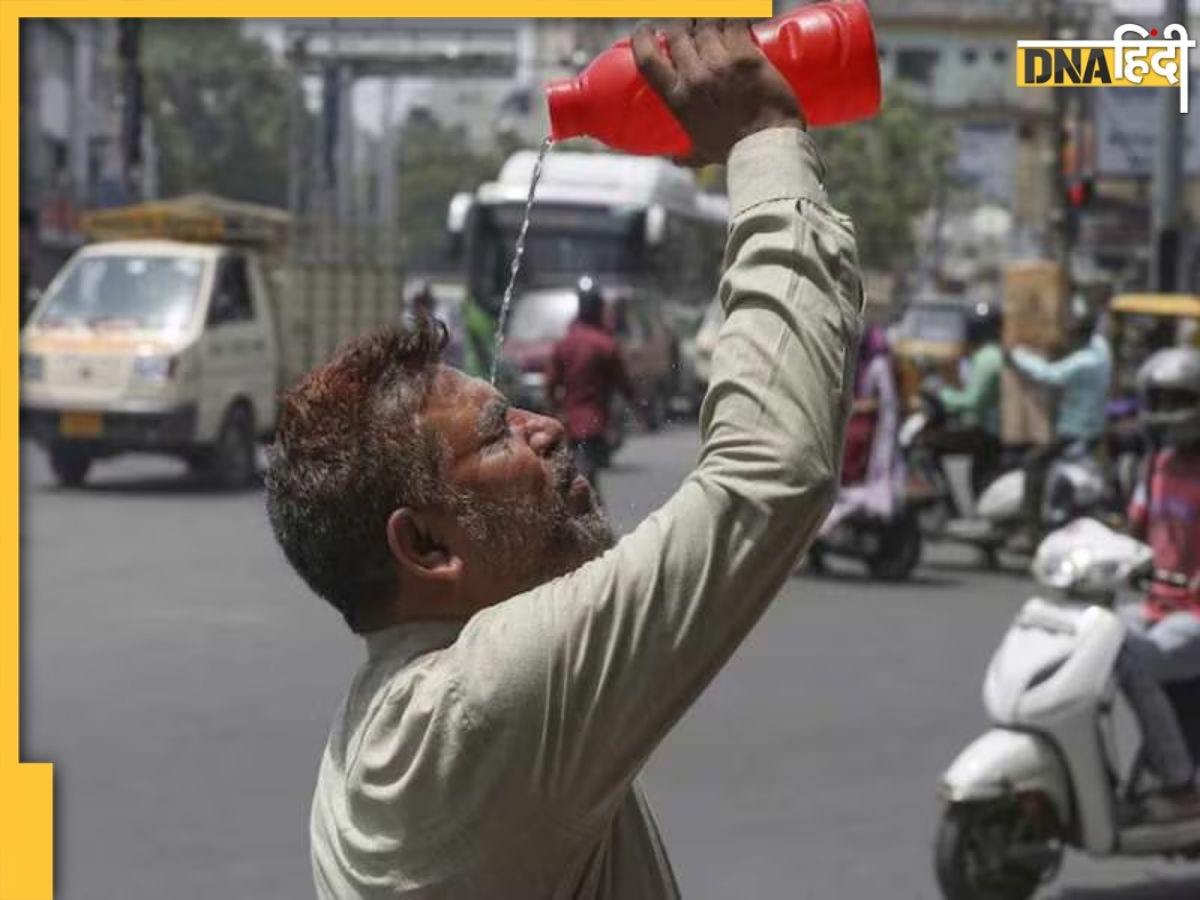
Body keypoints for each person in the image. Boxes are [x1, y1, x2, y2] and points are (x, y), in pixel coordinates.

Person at [264, 19, 862, 900]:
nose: (547, 429)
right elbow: (767, 473)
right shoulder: (481, 706)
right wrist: (764, 144)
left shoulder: (394, 716)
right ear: (427, 547)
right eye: (501, 435)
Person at [1117, 347, 1200, 823]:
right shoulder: (1158, 465)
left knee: (1134, 663)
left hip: (1193, 617)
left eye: (1177, 398)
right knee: (1086, 636)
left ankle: (1180, 783)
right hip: (1155, 608)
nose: (1166, 409)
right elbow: (1134, 531)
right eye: (1160, 398)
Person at [1005, 292, 1113, 547]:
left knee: (1033, 463)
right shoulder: (1101, 350)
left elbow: (1048, 374)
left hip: (1074, 432)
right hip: (1092, 430)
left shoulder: (1085, 361)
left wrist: (1016, 356)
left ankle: (1030, 527)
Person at [546, 276, 640, 502]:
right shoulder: (605, 345)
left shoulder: (565, 344)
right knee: (587, 479)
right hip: (594, 424)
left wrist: (554, 413)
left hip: (569, 423)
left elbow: (550, 385)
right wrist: (637, 407)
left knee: (578, 477)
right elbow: (624, 383)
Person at [822, 324, 902, 534]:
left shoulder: (878, 364)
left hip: (873, 426)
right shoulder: (859, 361)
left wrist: (855, 407)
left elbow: (885, 402)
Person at [935, 300, 1004, 498]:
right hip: (986, 428)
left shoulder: (986, 358)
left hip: (989, 431)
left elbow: (972, 401)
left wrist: (944, 396)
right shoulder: (990, 354)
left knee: (936, 442)